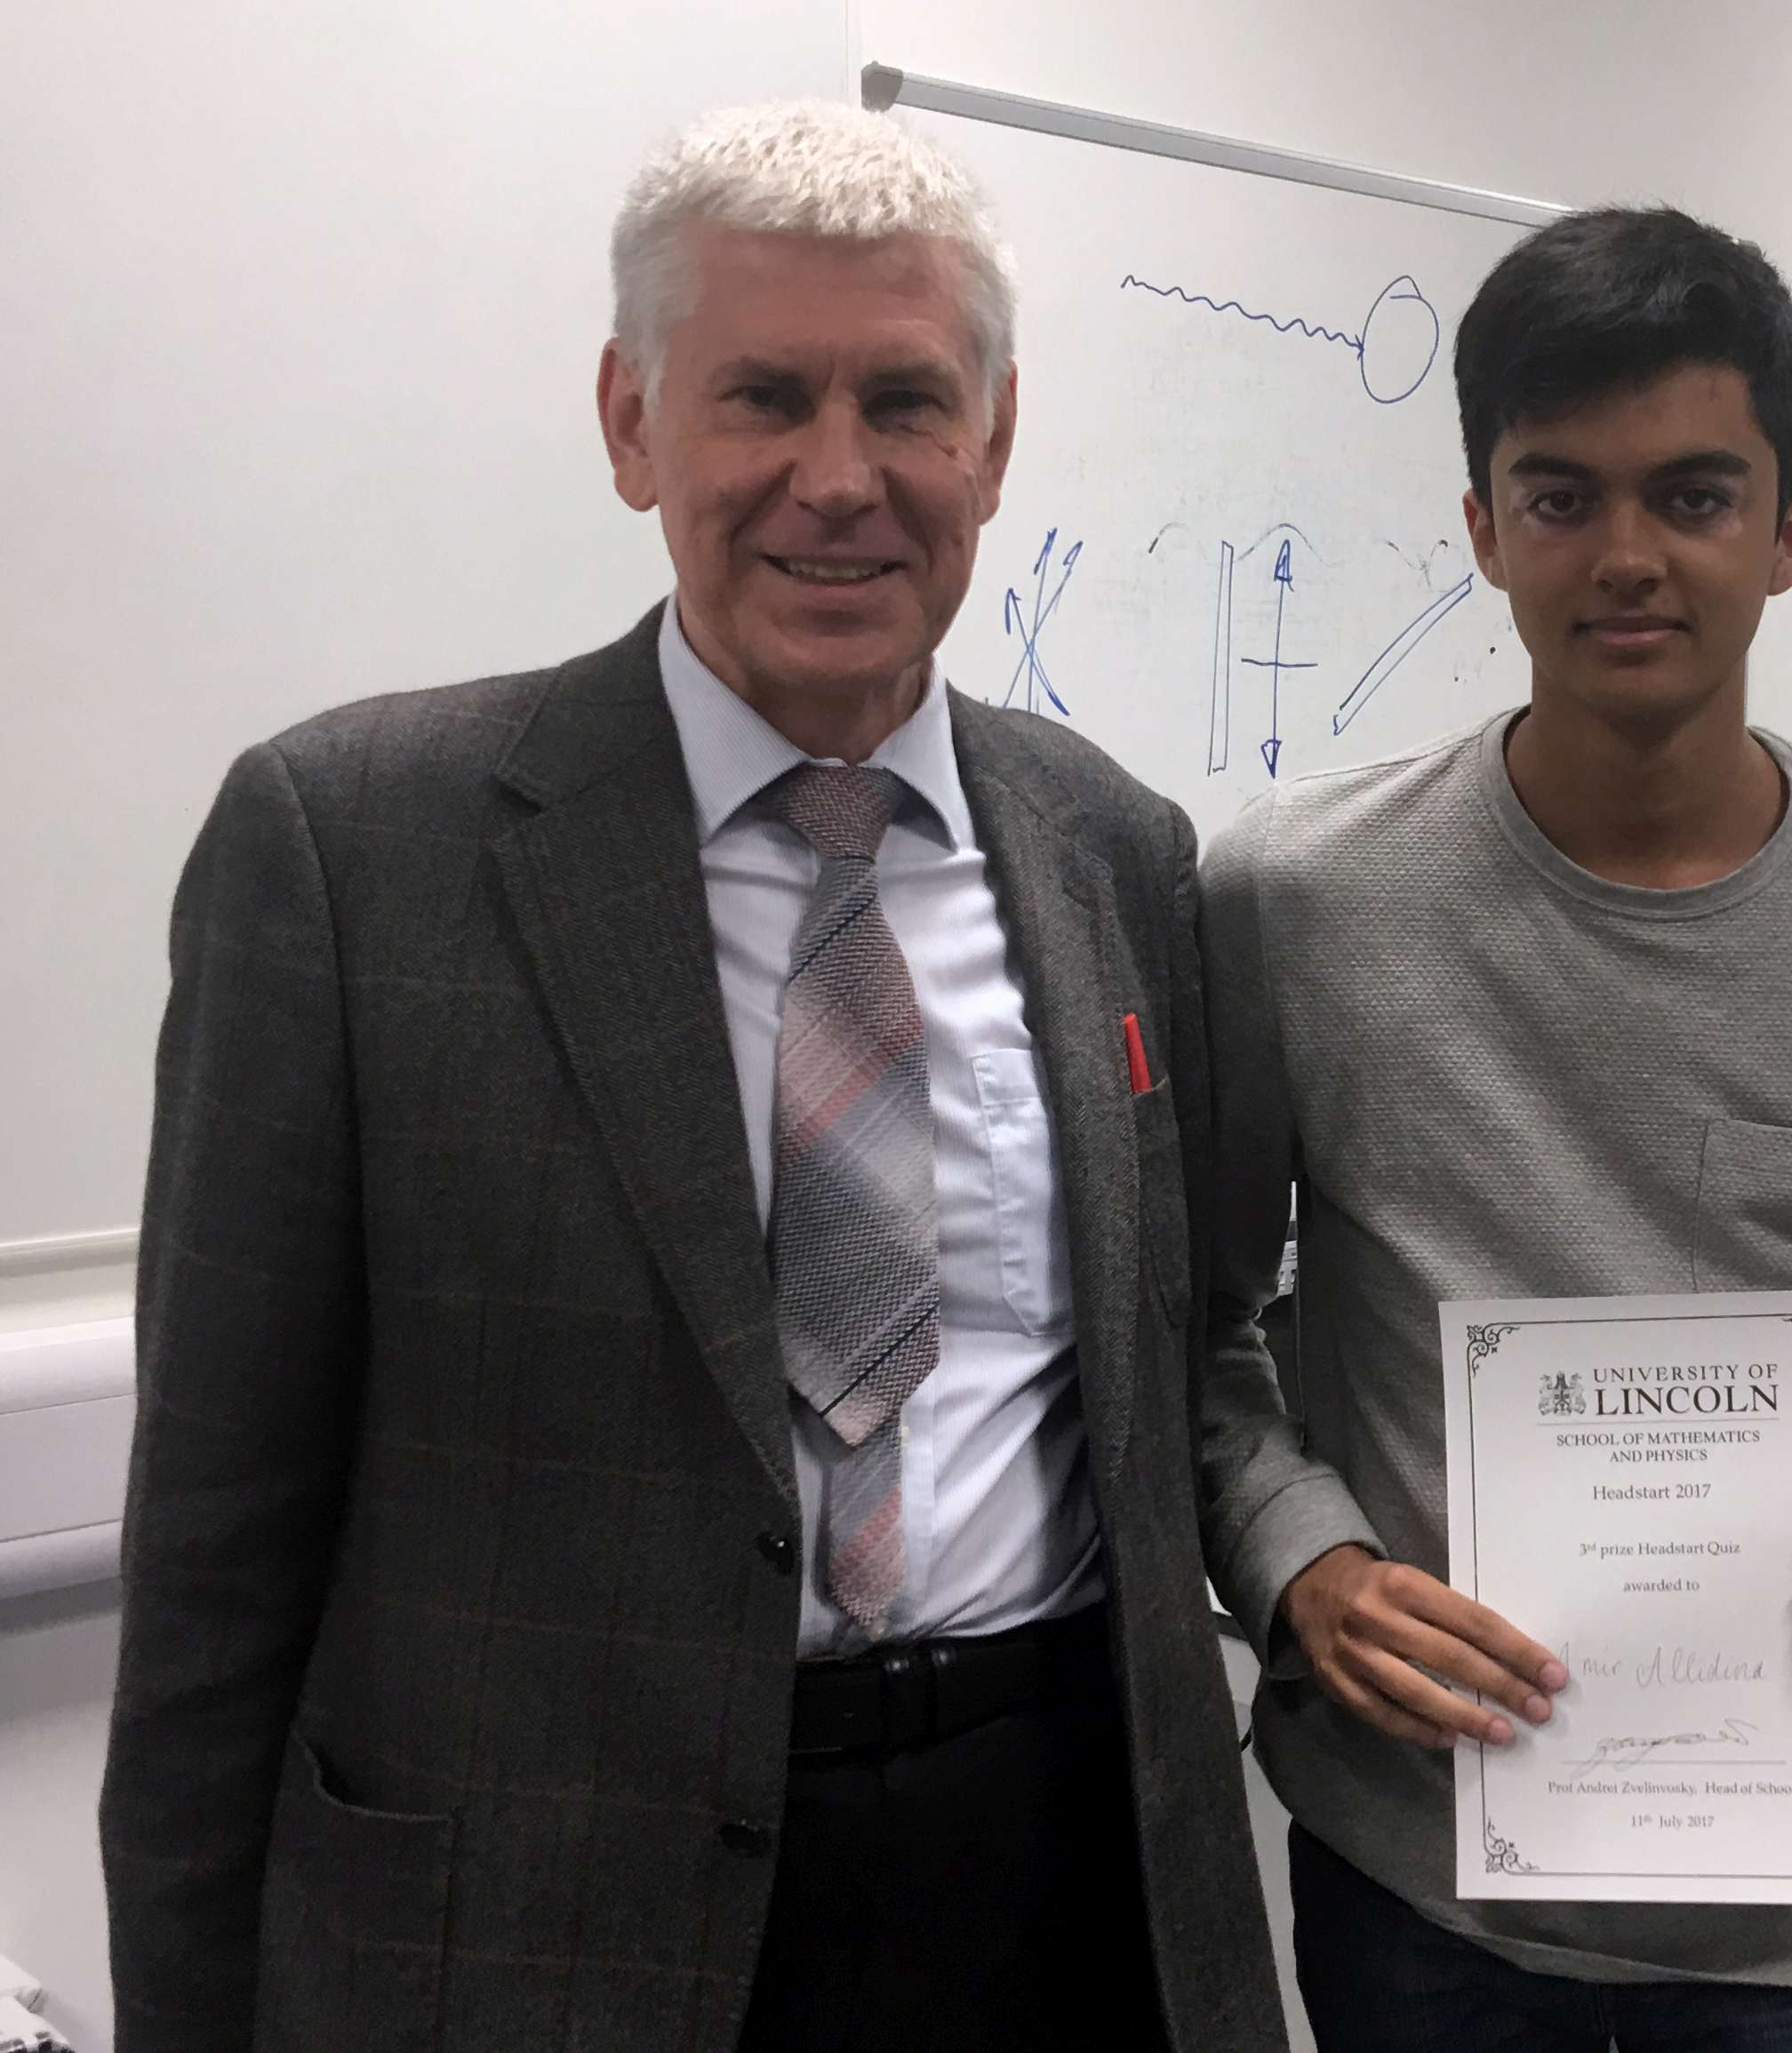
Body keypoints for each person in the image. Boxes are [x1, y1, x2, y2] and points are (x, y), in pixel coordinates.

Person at [101, 100, 1283, 2053]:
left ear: (992, 440)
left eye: (904, 402)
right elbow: (215, 1553)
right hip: (544, 1931)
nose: (838, 479)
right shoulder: (351, 847)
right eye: (761, 397)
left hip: (1056, 1881)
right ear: (631, 421)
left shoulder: (1115, 852)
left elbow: (1182, 1362)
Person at [1197, 206, 1792, 2052]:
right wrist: (1302, 1562)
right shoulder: (1292, 903)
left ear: (1788, 530)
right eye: (1561, 496)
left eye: (1693, 495)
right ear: (1483, 527)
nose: (1627, 556)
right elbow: (1200, 1331)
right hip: (1418, 1886)